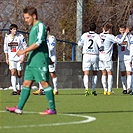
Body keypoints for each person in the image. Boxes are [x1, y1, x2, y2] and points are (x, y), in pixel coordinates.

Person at [5, 6, 56, 115]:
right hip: (31, 61)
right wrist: (28, 52)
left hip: (39, 60)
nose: (26, 20)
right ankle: (19, 108)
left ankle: (52, 109)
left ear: (34, 16)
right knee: (26, 83)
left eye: (27, 18)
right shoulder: (33, 28)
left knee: (44, 83)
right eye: (25, 18)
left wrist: (24, 51)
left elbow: (38, 43)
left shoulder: (40, 26)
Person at [99, 23, 129, 95]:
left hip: (100, 57)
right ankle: (109, 90)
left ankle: (105, 90)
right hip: (107, 57)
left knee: (103, 73)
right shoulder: (110, 36)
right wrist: (125, 34)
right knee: (109, 73)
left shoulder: (100, 35)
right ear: (109, 29)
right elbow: (120, 41)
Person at [78, 23, 103, 96]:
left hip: (86, 55)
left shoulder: (85, 35)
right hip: (94, 55)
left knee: (86, 73)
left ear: (89, 28)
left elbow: (79, 44)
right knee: (95, 73)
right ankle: (93, 89)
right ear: (95, 29)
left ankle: (86, 89)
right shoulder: (97, 36)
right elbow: (101, 46)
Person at [33, 26, 58, 95]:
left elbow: (51, 48)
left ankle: (55, 89)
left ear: (48, 31)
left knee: (52, 73)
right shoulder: (41, 39)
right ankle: (41, 89)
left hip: (51, 57)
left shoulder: (52, 38)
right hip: (42, 58)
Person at [4, 24, 27, 95]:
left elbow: (25, 47)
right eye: (13, 29)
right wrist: (7, 58)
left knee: (19, 74)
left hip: (19, 58)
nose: (15, 31)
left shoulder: (20, 37)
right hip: (11, 59)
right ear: (11, 30)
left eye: (16, 29)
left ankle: (19, 88)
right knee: (13, 72)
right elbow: (6, 49)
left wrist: (23, 57)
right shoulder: (7, 38)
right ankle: (14, 89)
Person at [116, 24, 132, 94]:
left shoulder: (130, 37)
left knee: (129, 72)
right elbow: (119, 42)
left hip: (128, 57)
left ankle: (129, 88)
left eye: (123, 30)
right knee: (123, 73)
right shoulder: (117, 37)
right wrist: (124, 34)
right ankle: (124, 88)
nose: (122, 32)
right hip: (121, 57)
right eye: (121, 30)